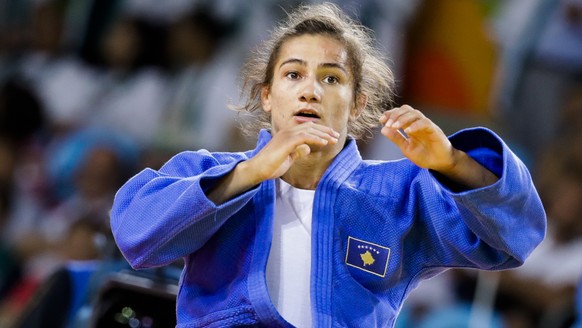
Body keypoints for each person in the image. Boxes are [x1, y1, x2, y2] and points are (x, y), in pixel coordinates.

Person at [110, 3, 546, 327]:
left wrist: (451, 163)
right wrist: (251, 173)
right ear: (267, 95)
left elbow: (515, 238)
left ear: (357, 103)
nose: (310, 91)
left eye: (331, 78)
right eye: (293, 74)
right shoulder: (209, 172)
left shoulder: (400, 194)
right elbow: (136, 236)